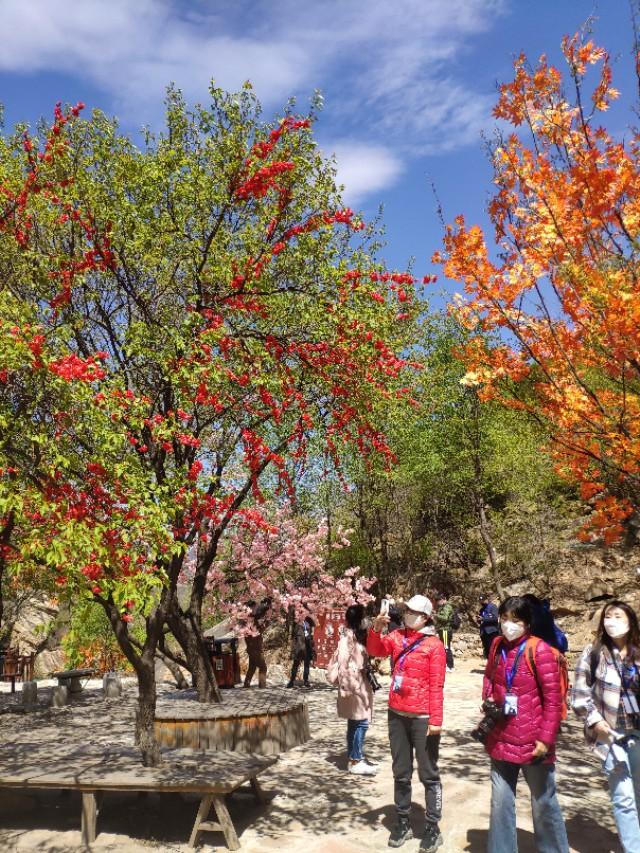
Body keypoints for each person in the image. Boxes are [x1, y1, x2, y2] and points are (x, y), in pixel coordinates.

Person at [481, 595, 568, 853]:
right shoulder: (497, 645)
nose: (508, 625)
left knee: (543, 802)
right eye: (504, 618)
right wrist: (486, 697)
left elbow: (553, 700)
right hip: (500, 736)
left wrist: (545, 738)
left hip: (533, 741)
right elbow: (489, 676)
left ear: (527, 623)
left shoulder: (539, 650)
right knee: (500, 802)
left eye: (515, 620)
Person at [368, 594, 446, 853]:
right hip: (397, 714)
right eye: (406, 610)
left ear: (425, 617)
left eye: (413, 611)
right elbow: (375, 650)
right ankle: (402, 821)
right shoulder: (397, 636)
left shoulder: (434, 645)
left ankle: (433, 826)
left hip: (423, 718)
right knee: (401, 771)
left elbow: (437, 685)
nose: (407, 614)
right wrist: (377, 628)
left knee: (429, 774)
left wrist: (436, 720)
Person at [572, 600, 640, 852]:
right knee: (623, 796)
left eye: (618, 616)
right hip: (611, 733)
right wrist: (594, 720)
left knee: (638, 791)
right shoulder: (594, 653)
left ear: (630, 621)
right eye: (608, 616)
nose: (612, 621)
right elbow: (579, 694)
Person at [326, 604, 377, 776]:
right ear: (358, 620)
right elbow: (344, 667)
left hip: (357, 687)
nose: (366, 619)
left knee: (354, 723)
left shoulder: (355, 637)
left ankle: (354, 756)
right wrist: (352, 689)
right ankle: (356, 760)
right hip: (355, 688)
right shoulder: (347, 640)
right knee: (361, 723)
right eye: (364, 616)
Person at [243, 598, 270, 688]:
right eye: (254, 607)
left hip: (251, 648)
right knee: (263, 667)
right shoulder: (250, 620)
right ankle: (262, 686)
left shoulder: (247, 619)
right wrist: (266, 623)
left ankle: (246, 684)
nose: (256, 608)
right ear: (250, 607)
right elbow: (257, 632)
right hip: (255, 648)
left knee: (252, 667)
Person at [287, 612, 315, 688]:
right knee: (305, 665)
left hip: (299, 648)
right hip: (304, 648)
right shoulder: (304, 625)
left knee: (296, 665)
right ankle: (305, 681)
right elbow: (307, 638)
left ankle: (292, 681)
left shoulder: (298, 625)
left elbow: (294, 637)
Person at [435, 593, 455, 671]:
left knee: (446, 647)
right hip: (442, 630)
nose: (437, 602)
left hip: (445, 630)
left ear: (443, 599)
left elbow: (445, 618)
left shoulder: (447, 607)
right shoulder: (442, 607)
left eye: (438, 600)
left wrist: (436, 615)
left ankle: (450, 666)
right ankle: (447, 664)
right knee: (444, 647)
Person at [479, 593, 500, 658]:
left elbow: (495, 618)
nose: (482, 602)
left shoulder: (493, 607)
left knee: (493, 650)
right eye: (480, 601)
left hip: (492, 631)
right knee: (487, 650)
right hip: (484, 632)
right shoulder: (482, 609)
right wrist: (479, 619)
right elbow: (481, 620)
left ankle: (495, 666)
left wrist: (483, 618)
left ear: (487, 599)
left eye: (483, 600)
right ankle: (489, 665)